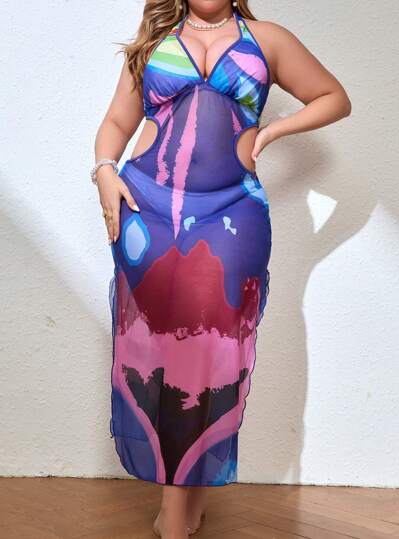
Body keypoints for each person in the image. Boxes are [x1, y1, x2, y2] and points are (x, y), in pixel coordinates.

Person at [92, 0, 351, 537]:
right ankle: (180, 504)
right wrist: (104, 172)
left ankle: (180, 508)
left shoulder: (267, 38)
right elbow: (118, 120)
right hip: (149, 210)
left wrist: (270, 133)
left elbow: (334, 98)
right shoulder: (156, 41)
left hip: (232, 214)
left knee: (213, 355)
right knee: (163, 354)